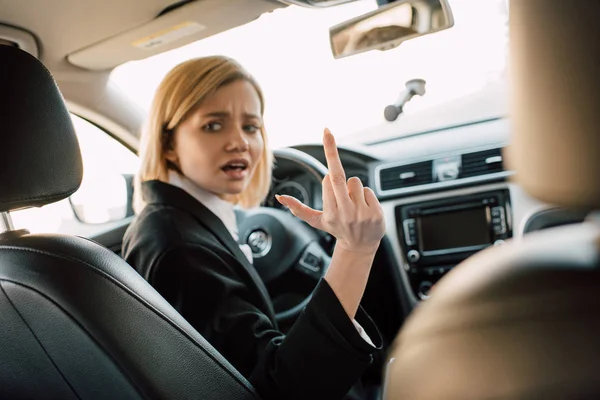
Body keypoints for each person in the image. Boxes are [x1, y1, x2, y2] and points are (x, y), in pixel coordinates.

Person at [122, 55, 386, 400]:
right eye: (213, 125)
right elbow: (278, 389)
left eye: (250, 127)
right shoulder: (180, 247)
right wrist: (354, 251)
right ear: (169, 144)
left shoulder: (176, 223)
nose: (240, 142)